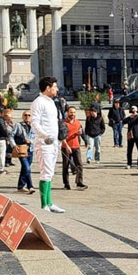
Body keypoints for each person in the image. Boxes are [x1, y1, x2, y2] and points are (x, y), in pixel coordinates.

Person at [28, 77, 67, 214]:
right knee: (45, 172)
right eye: (55, 87)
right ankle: (44, 204)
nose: (57, 89)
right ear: (48, 87)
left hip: (54, 142)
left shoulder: (51, 102)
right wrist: (45, 136)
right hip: (44, 143)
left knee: (50, 172)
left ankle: (49, 202)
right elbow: (35, 123)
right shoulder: (38, 102)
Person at [62, 107, 87, 191]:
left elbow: (82, 132)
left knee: (79, 165)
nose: (72, 114)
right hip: (66, 147)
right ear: (67, 113)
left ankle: (79, 183)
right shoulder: (63, 123)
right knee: (66, 165)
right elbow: (61, 136)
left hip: (76, 146)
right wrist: (66, 145)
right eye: (71, 112)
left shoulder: (78, 122)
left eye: (74, 112)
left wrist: (85, 141)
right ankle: (66, 184)